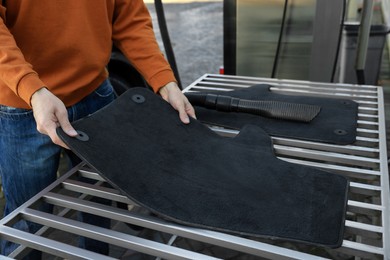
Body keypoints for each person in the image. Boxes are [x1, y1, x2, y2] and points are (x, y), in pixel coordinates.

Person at [0, 0, 196, 258]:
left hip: (95, 93)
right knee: (27, 220)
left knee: (98, 204)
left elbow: (129, 17)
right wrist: (32, 90)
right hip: (25, 105)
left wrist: (163, 80)